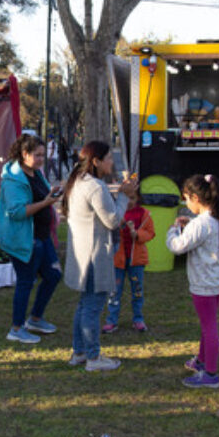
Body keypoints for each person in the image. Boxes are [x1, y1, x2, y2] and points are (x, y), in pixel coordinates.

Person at [60, 141, 138, 372]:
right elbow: (112, 220)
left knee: (84, 305)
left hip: (83, 255)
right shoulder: (95, 186)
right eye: (109, 158)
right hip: (94, 256)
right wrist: (125, 196)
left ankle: (80, 352)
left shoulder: (79, 182)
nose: (112, 163)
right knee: (92, 308)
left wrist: (121, 192)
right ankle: (93, 357)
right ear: (96, 161)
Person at [166, 174, 219, 389]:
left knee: (209, 327)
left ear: (195, 197)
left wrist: (173, 229)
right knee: (207, 325)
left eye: (186, 199)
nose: (186, 204)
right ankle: (202, 361)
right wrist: (190, 224)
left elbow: (177, 246)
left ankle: (210, 373)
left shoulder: (202, 224)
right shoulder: (217, 218)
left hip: (204, 284)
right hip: (217, 281)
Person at [0, 134, 63, 345]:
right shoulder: (13, 180)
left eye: (44, 154)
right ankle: (16, 328)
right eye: (38, 155)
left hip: (42, 237)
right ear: (24, 154)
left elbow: (42, 197)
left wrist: (51, 195)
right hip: (25, 240)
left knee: (53, 275)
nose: (42, 159)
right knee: (26, 281)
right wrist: (46, 203)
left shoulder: (36, 173)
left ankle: (35, 318)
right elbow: (16, 212)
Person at [102, 185, 155, 334]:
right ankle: (112, 320)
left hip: (136, 261)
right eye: (126, 198)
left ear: (138, 198)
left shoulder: (143, 214)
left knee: (137, 291)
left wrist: (136, 234)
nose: (129, 202)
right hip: (117, 260)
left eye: (132, 198)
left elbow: (150, 233)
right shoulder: (115, 213)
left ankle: (138, 318)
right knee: (114, 292)